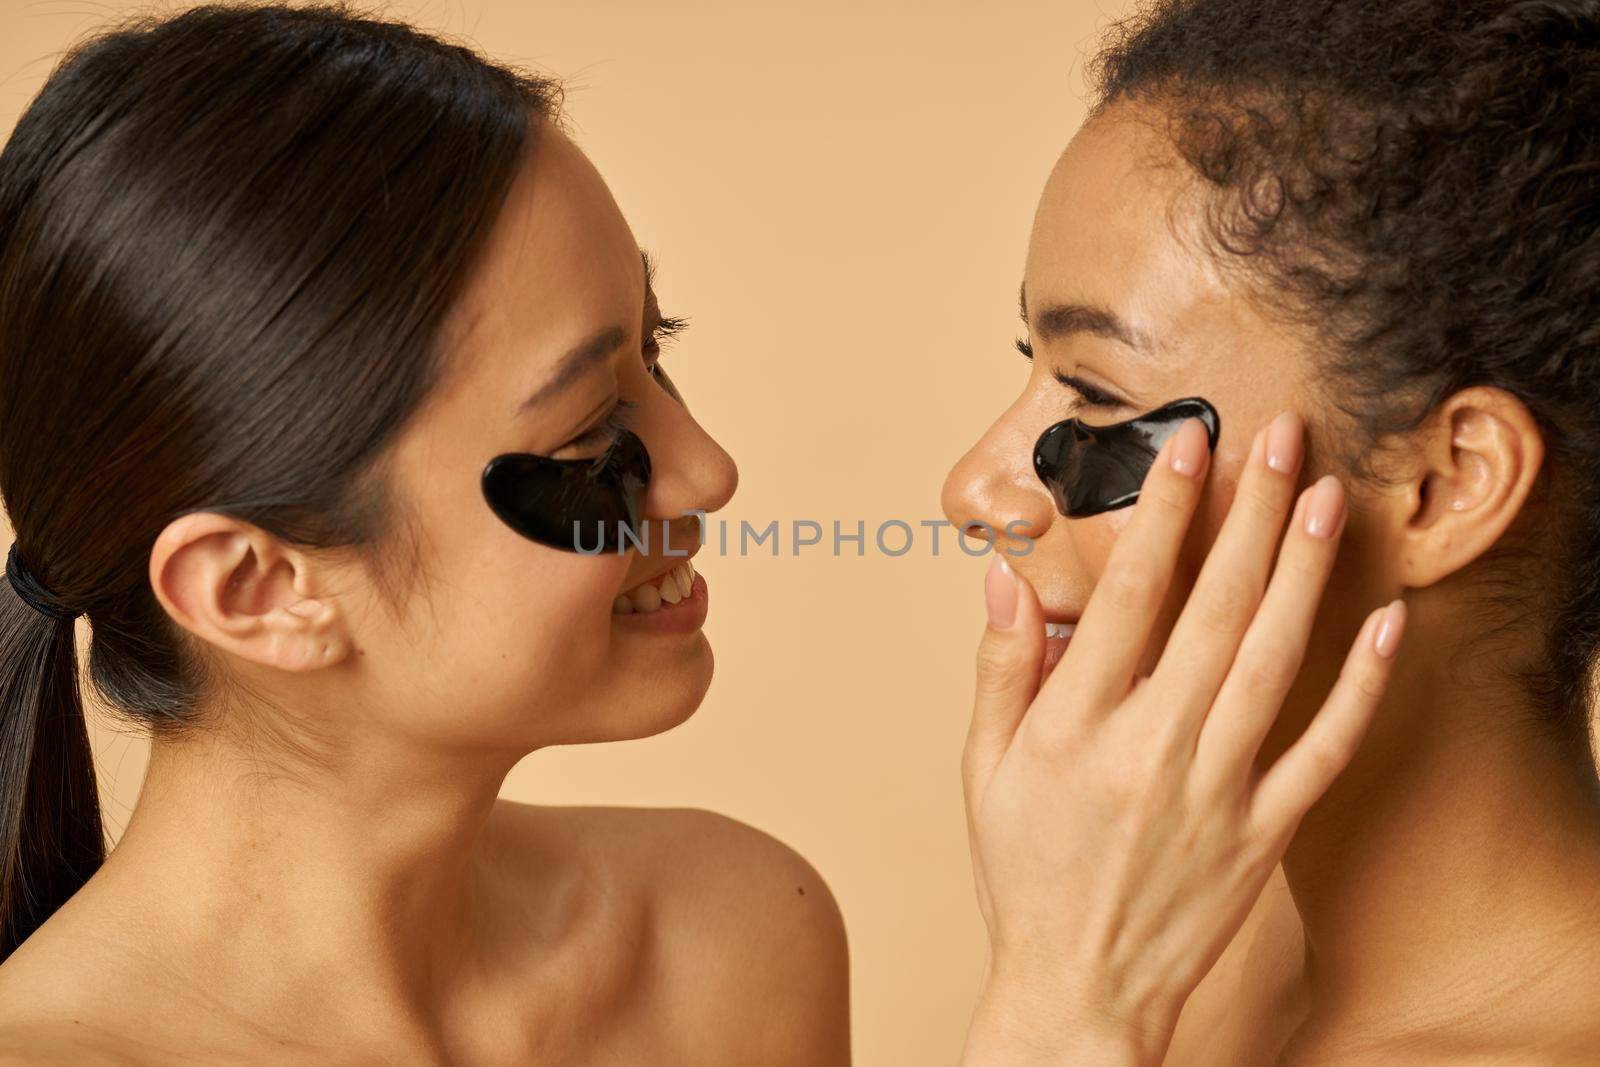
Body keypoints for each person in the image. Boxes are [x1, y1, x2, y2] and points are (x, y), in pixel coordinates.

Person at [0, 5, 849, 1062]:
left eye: (654, 344)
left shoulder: (730, 934)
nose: (707, 471)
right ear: (258, 586)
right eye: (589, 432)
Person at [943, 0, 1600, 1062]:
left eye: (1096, 399)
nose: (971, 488)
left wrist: (1060, 1014)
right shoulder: (1182, 935)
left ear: (1444, 484)